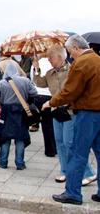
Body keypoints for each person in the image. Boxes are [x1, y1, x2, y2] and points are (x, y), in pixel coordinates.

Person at [42, 35, 100, 206]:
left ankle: (73, 193)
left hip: (87, 113)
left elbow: (70, 91)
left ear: (76, 48)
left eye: (69, 52)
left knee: (76, 153)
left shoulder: (81, 63)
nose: (70, 56)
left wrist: (51, 102)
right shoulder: (97, 59)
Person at [33, 44, 96, 183]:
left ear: (60, 57)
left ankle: (88, 172)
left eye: (51, 59)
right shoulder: (50, 73)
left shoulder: (73, 69)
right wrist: (36, 69)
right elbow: (40, 83)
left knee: (70, 142)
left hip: (70, 111)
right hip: (56, 111)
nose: (49, 61)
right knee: (60, 142)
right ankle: (64, 170)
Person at [0, 64, 38, 169]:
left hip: (6, 112)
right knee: (20, 137)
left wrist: (1, 97)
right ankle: (20, 163)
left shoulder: (2, 83)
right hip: (21, 111)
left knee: (5, 137)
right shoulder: (25, 81)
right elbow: (34, 92)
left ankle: (3, 161)